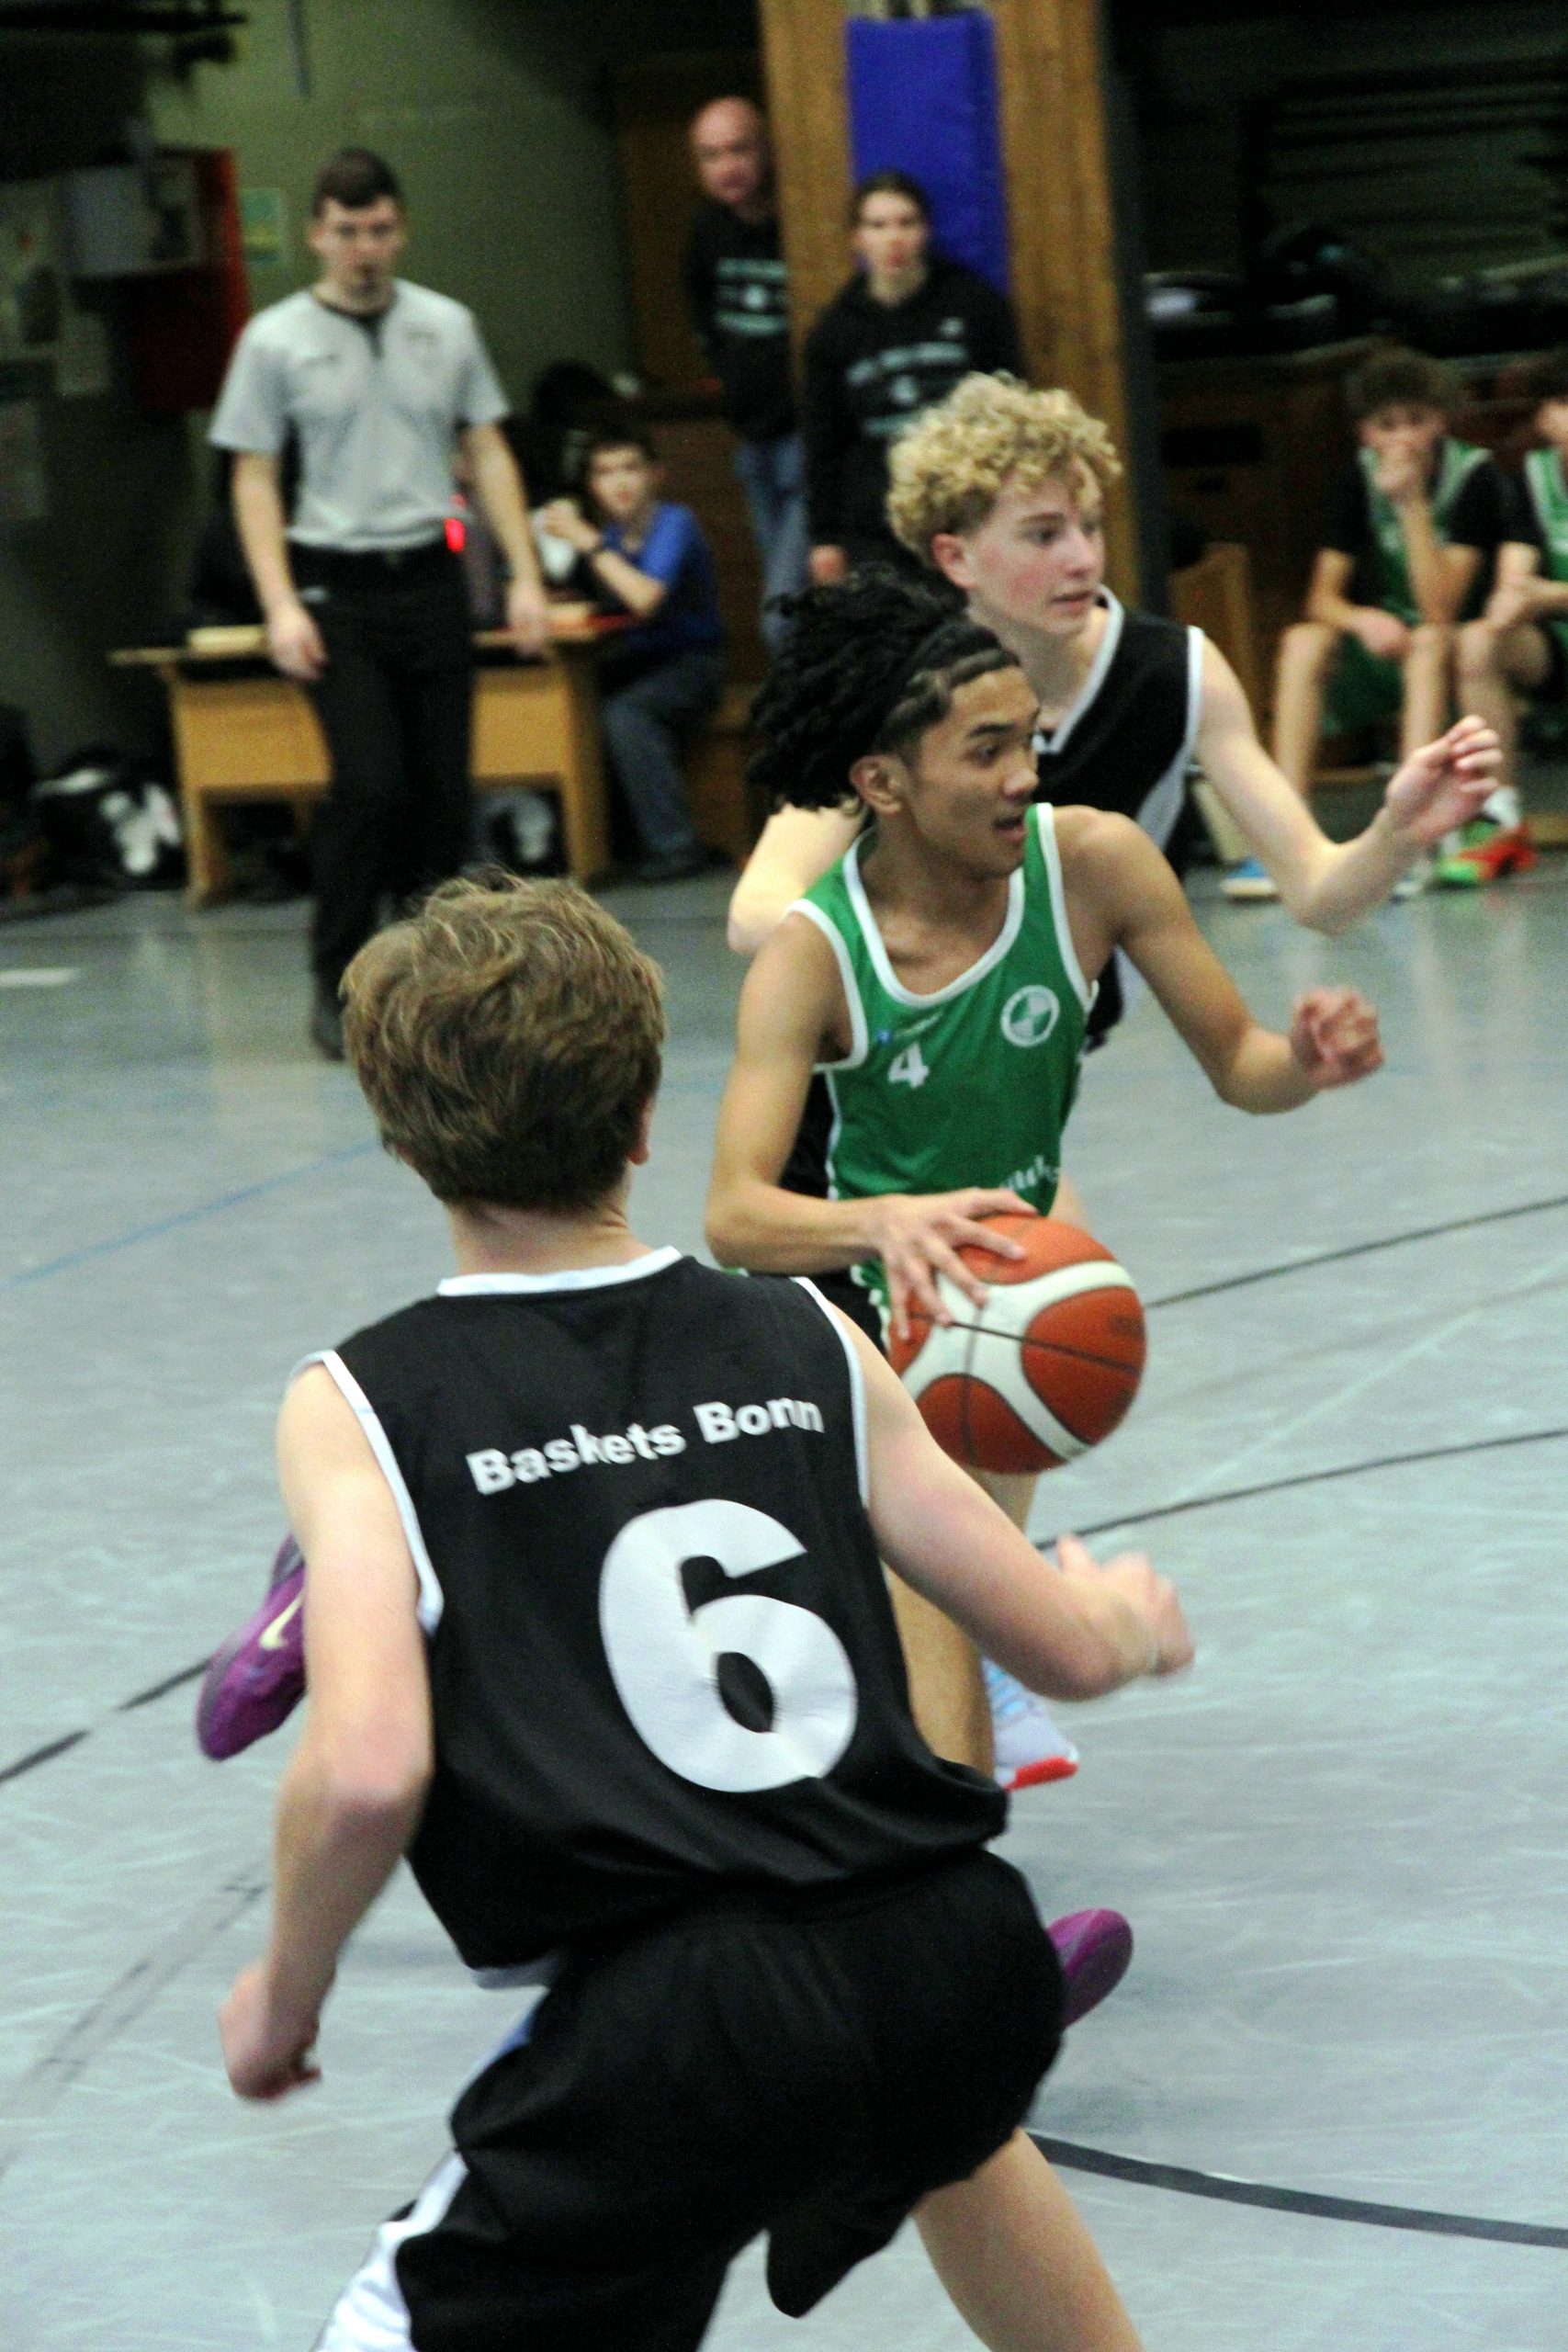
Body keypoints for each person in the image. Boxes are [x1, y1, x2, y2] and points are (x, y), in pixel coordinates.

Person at [217, 869, 1192, 2352]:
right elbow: (1056, 1645)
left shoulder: (361, 1400)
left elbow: (362, 1772)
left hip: (690, 2018)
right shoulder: (807, 1330)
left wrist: (283, 1998)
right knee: (940, 2134)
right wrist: (1123, 1618)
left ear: (402, 1140)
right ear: (642, 1115)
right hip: (955, 1955)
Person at [704, 571, 1382, 1814]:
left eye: (1030, 739)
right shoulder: (814, 954)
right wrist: (886, 1222)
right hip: (831, 1318)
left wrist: (1307, 1062)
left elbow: (1241, 1066)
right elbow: (734, 1216)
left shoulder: (1094, 865)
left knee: (941, 1624)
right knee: (890, 1632)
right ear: (881, 783)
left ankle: (950, 1829)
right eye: (985, 750)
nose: (1025, 774)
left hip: (977, 1298)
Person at [731, 374, 1503, 959]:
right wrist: (921, 967)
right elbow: (757, 910)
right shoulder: (886, 684)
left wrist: (1396, 832)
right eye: (1042, 535)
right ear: (955, 557)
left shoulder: (1177, 672)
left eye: (1090, 526)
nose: (1080, 558)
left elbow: (1316, 893)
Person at [209, 146, 550, 1059]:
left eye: (380, 230)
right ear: (317, 235)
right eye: (348, 231)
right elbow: (251, 477)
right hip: (335, 585)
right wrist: (279, 604)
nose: (364, 248)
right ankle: (336, 976)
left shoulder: (447, 325)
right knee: (368, 786)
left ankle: (435, 990)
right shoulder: (274, 340)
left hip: (430, 578)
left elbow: (489, 451)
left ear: (401, 231)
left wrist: (523, 574)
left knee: (442, 797)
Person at [1271, 344, 1528, 892]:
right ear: (1365, 434)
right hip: (1390, 646)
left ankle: (1407, 837)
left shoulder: (1474, 477)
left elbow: (1440, 609)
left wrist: (1411, 503)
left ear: (1441, 421)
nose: (1402, 438)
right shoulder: (1356, 479)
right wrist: (1360, 620)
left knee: (1431, 640)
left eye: (1416, 421)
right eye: (1386, 426)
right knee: (1303, 641)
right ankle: (1283, 835)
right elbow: (1321, 598)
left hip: (1456, 653)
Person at [803, 174, 1023, 584]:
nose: (894, 238)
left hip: (966, 509)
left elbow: (1011, 406)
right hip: (879, 523)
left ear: (926, 231)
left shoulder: (975, 305)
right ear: (857, 238)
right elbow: (825, 443)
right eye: (878, 225)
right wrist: (826, 537)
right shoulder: (834, 333)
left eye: (906, 223)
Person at [540, 425, 725, 882]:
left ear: (655, 475)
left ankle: (676, 847)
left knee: (626, 715)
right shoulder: (611, 535)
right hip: (634, 662)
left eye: (630, 468)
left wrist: (589, 544)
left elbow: (644, 599)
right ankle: (588, 851)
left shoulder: (674, 523)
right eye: (604, 473)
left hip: (693, 662)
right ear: (591, 485)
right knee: (568, 706)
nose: (619, 482)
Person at [682, 97, 807, 651]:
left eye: (738, 150)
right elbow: (701, 315)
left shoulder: (797, 225)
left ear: (766, 150)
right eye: (710, 156)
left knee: (783, 615)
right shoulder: (707, 231)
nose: (726, 167)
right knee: (793, 611)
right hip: (751, 438)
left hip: (805, 440)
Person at [1451, 345, 1568, 880]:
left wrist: (1547, 596)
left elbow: (1539, 593)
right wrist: (1509, 604)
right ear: (1543, 419)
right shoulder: (1531, 478)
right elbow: (1514, 581)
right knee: (1478, 640)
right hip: (1557, 649)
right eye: (1564, 404)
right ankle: (1500, 820)